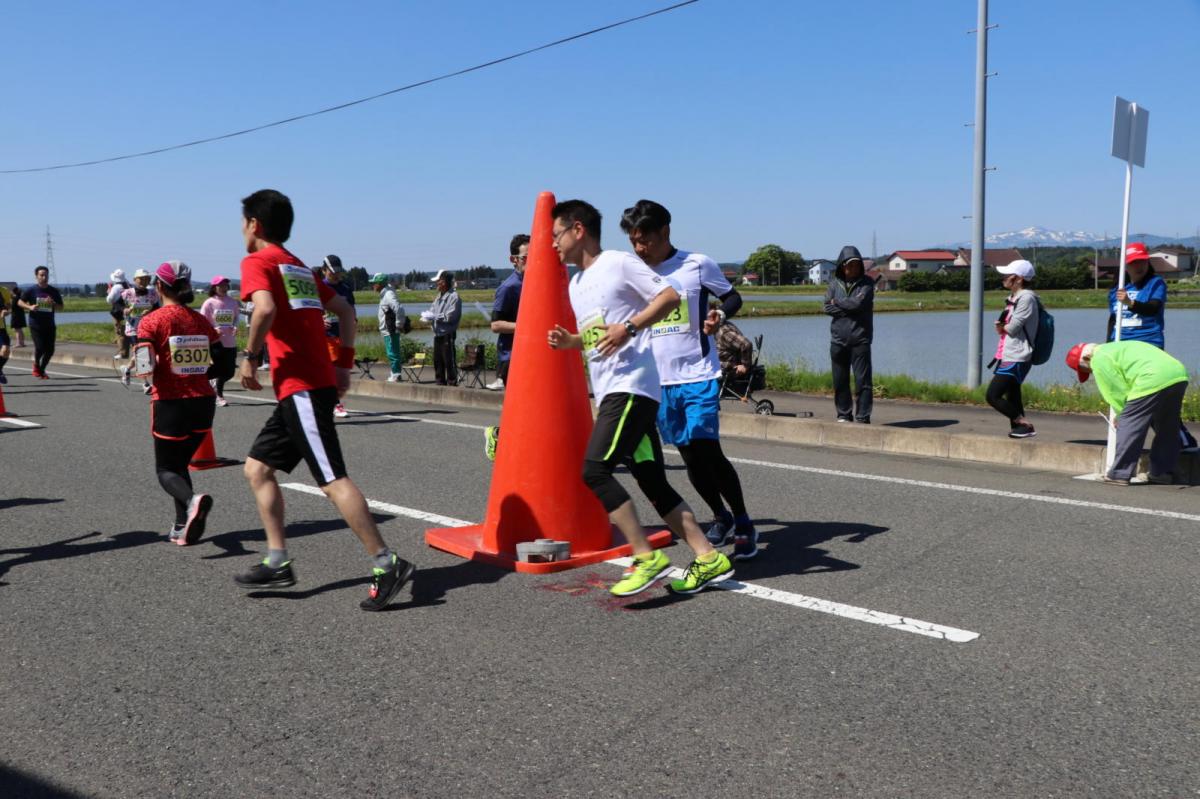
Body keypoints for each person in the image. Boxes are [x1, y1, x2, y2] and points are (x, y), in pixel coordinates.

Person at [234, 188, 414, 611]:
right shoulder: (297, 266)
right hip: (305, 386)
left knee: (332, 480)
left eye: (242, 222)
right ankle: (278, 560)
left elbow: (263, 310)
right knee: (257, 469)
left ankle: (387, 563)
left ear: (254, 225)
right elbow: (347, 313)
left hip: (301, 387)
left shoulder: (257, 262)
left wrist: (249, 357)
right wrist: (343, 365)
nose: (241, 230)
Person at [547, 199, 733, 596]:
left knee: (594, 471)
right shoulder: (577, 282)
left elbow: (668, 298)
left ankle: (647, 557)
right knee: (651, 480)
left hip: (632, 387)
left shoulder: (616, 262)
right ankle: (707, 557)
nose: (553, 245)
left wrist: (630, 327)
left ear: (578, 230)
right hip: (611, 389)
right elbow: (603, 333)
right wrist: (573, 342)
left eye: (556, 235)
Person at [620, 199, 758, 560]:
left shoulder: (696, 265)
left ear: (664, 232)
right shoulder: (633, 271)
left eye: (644, 240)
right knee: (689, 456)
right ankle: (720, 516)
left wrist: (719, 317)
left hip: (698, 373)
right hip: (659, 381)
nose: (638, 248)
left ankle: (743, 521)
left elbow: (733, 297)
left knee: (707, 448)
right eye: (633, 241)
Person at [134, 261, 217, 544]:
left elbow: (145, 366)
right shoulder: (200, 319)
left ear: (158, 286)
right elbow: (221, 361)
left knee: (166, 470)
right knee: (180, 465)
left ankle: (192, 502)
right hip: (204, 403)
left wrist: (140, 372)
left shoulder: (152, 320)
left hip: (171, 402)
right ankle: (182, 525)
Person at [1105, 241, 1196, 451]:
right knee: (1130, 397)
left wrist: (1131, 303)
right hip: (1122, 349)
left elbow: (1153, 309)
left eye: (1142, 261)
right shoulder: (1117, 289)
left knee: (1151, 396)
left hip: (1148, 345)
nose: (1139, 266)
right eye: (1134, 262)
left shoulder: (1156, 284)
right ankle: (1167, 440)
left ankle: (1181, 438)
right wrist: (1107, 347)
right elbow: (1112, 320)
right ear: (1125, 266)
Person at [1065, 340, 1188, 485]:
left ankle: (1119, 474)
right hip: (1178, 374)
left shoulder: (1098, 360)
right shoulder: (1116, 347)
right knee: (1167, 426)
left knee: (1129, 423)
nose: (1090, 373)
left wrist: (1121, 414)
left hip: (1151, 378)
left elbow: (1115, 391)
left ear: (1084, 361)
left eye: (1084, 370)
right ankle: (1161, 472)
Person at [986, 259, 1039, 438]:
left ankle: (1023, 423)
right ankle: (1020, 429)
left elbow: (1012, 328)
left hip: (1018, 355)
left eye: (1007, 274)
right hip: (1009, 353)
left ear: (1019, 279)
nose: (1003, 277)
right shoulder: (1013, 299)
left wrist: (1002, 327)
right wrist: (1002, 327)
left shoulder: (1027, 298)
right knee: (1013, 394)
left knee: (993, 395)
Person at [823, 246, 874, 423]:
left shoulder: (867, 283)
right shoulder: (833, 283)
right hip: (837, 340)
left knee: (863, 381)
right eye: (849, 265)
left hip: (860, 339)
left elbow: (858, 304)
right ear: (842, 266)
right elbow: (826, 307)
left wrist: (837, 302)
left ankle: (863, 416)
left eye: (856, 265)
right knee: (840, 381)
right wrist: (849, 307)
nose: (853, 269)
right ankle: (844, 414)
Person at [488, 234, 528, 390]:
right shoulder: (508, 288)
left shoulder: (535, 283)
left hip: (529, 354)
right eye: (526, 257)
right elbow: (495, 325)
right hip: (511, 357)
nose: (531, 261)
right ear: (514, 260)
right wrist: (526, 327)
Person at [318, 255, 355, 417]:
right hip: (326, 335)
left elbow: (351, 310)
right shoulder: (318, 288)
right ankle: (336, 404)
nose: (336, 275)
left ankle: (327, 401)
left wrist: (354, 323)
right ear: (324, 271)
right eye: (332, 272)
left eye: (338, 272)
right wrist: (319, 319)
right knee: (334, 369)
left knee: (337, 369)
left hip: (343, 335)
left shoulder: (346, 289)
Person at [117, 269, 161, 393]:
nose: (144, 281)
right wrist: (124, 310)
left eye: (147, 279)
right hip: (133, 328)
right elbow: (117, 305)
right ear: (135, 280)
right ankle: (145, 384)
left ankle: (126, 369)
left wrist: (150, 312)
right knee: (141, 353)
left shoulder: (152, 293)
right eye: (141, 279)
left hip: (148, 328)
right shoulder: (127, 293)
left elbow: (158, 308)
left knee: (142, 352)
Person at [200, 275, 240, 407]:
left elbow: (236, 318)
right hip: (215, 341)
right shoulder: (209, 303)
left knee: (230, 372)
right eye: (220, 285)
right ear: (214, 287)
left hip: (230, 341)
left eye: (225, 285)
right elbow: (201, 322)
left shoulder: (232, 302)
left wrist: (235, 326)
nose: (223, 288)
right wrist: (213, 330)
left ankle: (212, 384)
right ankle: (219, 396)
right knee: (217, 369)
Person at [18, 266, 64, 379]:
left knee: (50, 350)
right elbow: (19, 302)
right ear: (36, 277)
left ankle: (41, 369)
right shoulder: (31, 290)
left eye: (46, 275)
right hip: (35, 323)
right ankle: (37, 366)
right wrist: (29, 307)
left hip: (49, 324)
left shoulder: (53, 291)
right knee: (40, 347)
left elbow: (61, 307)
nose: (44, 277)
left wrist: (53, 304)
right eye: (41, 275)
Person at [424, 269, 461, 385]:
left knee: (449, 361)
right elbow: (432, 310)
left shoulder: (454, 297)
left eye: (438, 281)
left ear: (444, 282)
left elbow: (450, 316)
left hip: (447, 334)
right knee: (437, 361)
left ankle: (452, 383)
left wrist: (434, 316)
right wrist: (427, 316)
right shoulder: (438, 296)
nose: (436, 284)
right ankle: (439, 383)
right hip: (437, 333)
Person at [370, 273, 406, 381]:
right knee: (392, 351)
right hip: (387, 329)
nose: (373, 286)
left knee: (392, 352)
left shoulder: (388, 294)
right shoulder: (385, 293)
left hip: (390, 329)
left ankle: (396, 374)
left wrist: (399, 324)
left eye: (374, 283)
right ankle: (395, 373)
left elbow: (399, 308)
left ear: (380, 284)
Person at [105, 269, 131, 357]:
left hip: (118, 312)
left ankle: (122, 353)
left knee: (119, 332)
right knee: (126, 331)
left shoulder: (116, 287)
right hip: (128, 311)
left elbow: (109, 300)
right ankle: (125, 351)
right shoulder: (128, 285)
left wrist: (109, 292)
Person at [0, 284, 11, 384]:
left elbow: (8, 306)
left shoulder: (4, 291)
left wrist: (6, 311)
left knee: (6, 350)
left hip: (1, 327)